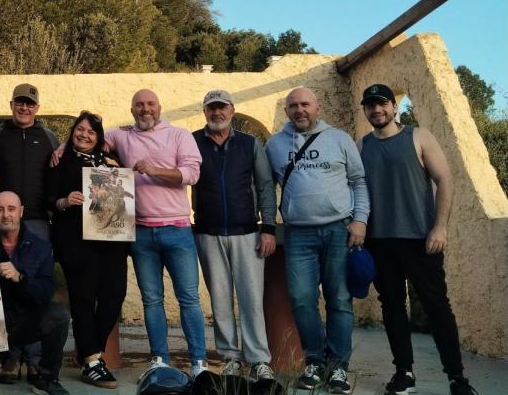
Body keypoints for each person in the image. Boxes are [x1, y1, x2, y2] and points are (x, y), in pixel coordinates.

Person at [358, 84, 477, 395]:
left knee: (437, 306)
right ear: (365, 111)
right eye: (370, 105)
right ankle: (404, 373)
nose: (376, 110)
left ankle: (457, 378)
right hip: (380, 241)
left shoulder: (419, 136)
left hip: (421, 239)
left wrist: (440, 227)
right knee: (392, 308)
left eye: (382, 104)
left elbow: (445, 179)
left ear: (394, 107)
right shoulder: (362, 146)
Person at [264, 87, 369, 394]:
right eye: (293, 106)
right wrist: (268, 225)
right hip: (298, 233)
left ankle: (338, 369)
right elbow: (267, 190)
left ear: (317, 107)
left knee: (339, 300)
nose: (300, 110)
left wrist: (360, 220)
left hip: (339, 230)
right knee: (301, 300)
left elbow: (358, 182)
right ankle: (314, 362)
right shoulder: (274, 145)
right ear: (287, 111)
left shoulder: (339, 139)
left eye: (305, 104)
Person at [102, 89, 208, 378]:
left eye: (150, 104)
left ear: (159, 107)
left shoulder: (179, 135)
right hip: (141, 233)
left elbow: (191, 174)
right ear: (132, 109)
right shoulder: (122, 136)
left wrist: (154, 169)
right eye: (139, 105)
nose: (145, 109)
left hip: (177, 230)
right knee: (152, 300)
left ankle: (199, 362)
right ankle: (159, 358)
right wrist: (63, 147)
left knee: (189, 299)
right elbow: (90, 139)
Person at [191, 90, 277, 382]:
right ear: (205, 112)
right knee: (220, 299)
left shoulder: (250, 143)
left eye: (222, 108)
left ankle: (259, 360)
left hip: (247, 233)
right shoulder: (191, 142)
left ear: (232, 110)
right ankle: (230, 358)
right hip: (207, 232)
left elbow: (265, 185)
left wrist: (268, 228)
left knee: (252, 299)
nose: (217, 113)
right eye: (211, 108)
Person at [45, 111, 128, 389]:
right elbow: (48, 199)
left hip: (112, 240)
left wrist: (117, 170)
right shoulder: (59, 160)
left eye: (91, 132)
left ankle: (88, 351)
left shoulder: (110, 162)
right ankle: (93, 361)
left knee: (114, 295)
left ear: (99, 137)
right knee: (82, 298)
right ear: (72, 132)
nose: (84, 135)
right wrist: (65, 201)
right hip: (74, 241)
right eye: (79, 129)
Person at [0, 83, 59, 384]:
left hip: (38, 222)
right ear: (12, 104)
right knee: (2, 288)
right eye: (19, 103)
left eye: (30, 104)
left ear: (37, 108)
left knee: (32, 287)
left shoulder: (50, 137)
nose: (24, 108)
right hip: (2, 220)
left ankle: (35, 358)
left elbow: (62, 169)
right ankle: (10, 358)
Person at [0, 192, 71, 395]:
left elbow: (45, 292)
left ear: (21, 212)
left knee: (59, 316)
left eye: (11, 209)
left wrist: (20, 278)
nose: (5, 215)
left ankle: (47, 377)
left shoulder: (41, 247)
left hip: (24, 321)